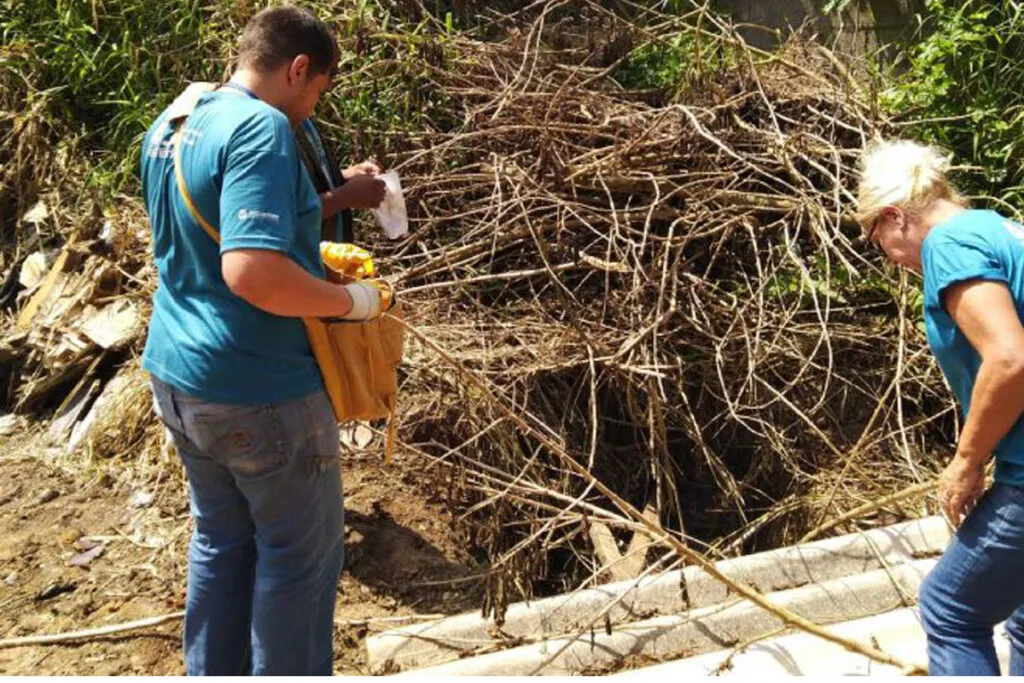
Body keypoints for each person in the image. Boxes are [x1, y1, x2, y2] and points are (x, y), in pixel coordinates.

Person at [139, 6, 387, 675]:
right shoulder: (262, 127)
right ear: (297, 68)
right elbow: (250, 271)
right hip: (259, 385)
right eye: (316, 91)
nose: (310, 108)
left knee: (222, 541)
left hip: (178, 374)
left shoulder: (174, 121)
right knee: (299, 558)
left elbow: (195, 240)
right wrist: (349, 302)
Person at [857, 139, 1024, 675]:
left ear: (892, 217)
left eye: (876, 240)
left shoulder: (949, 244)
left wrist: (966, 461)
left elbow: (1010, 360)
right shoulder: (1002, 229)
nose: (889, 259)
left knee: (950, 610)